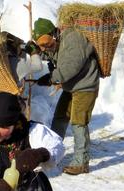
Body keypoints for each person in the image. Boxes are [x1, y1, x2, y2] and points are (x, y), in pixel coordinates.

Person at [32, 18, 100, 175]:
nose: (45, 48)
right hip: (72, 87)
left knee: (78, 122)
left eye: (46, 44)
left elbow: (70, 67)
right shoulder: (55, 44)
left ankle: (81, 162)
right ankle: (53, 150)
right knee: (60, 117)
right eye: (41, 45)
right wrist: (36, 53)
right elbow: (56, 62)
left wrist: (51, 78)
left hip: (85, 85)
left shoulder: (73, 39)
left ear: (53, 34)